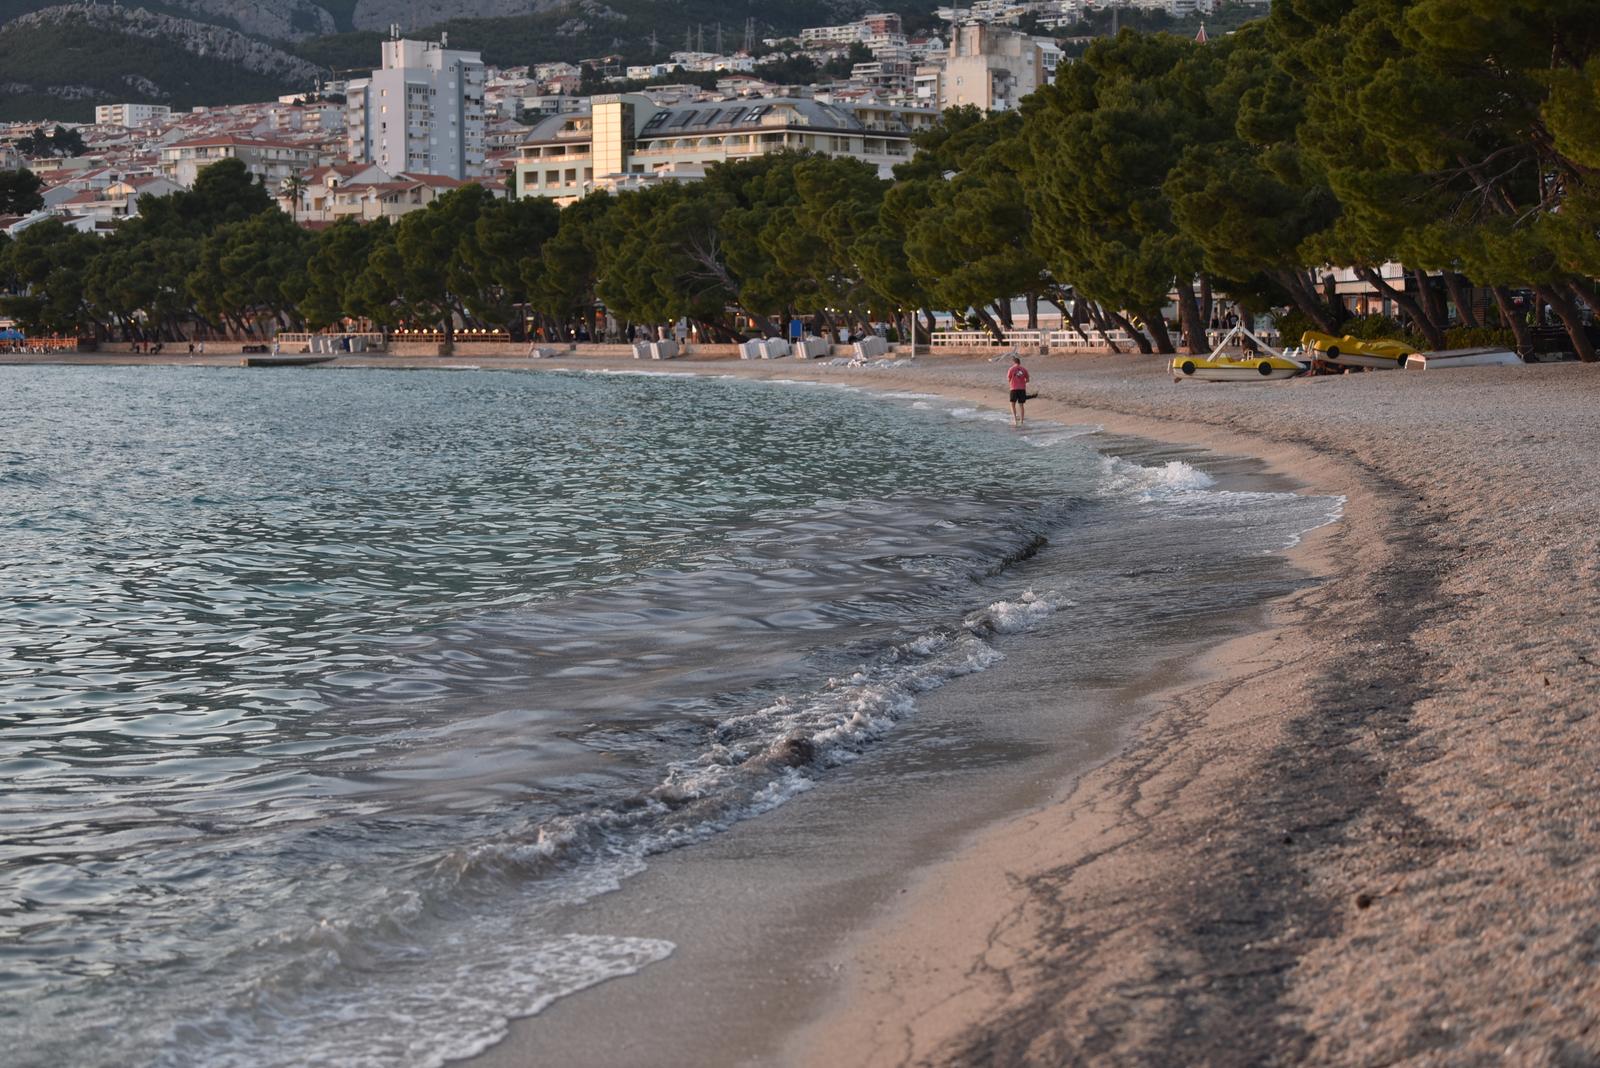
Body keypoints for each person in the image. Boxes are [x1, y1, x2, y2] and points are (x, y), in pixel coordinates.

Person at [1006, 354, 1031, 428]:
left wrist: (1013, 382)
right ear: (1019, 362)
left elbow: (1008, 379)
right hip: (1022, 389)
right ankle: (1022, 421)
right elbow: (1028, 380)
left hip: (1013, 388)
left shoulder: (1011, 369)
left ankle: (1015, 420)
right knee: (1021, 405)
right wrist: (1022, 382)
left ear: (1014, 362)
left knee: (1012, 404)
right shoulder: (1024, 369)